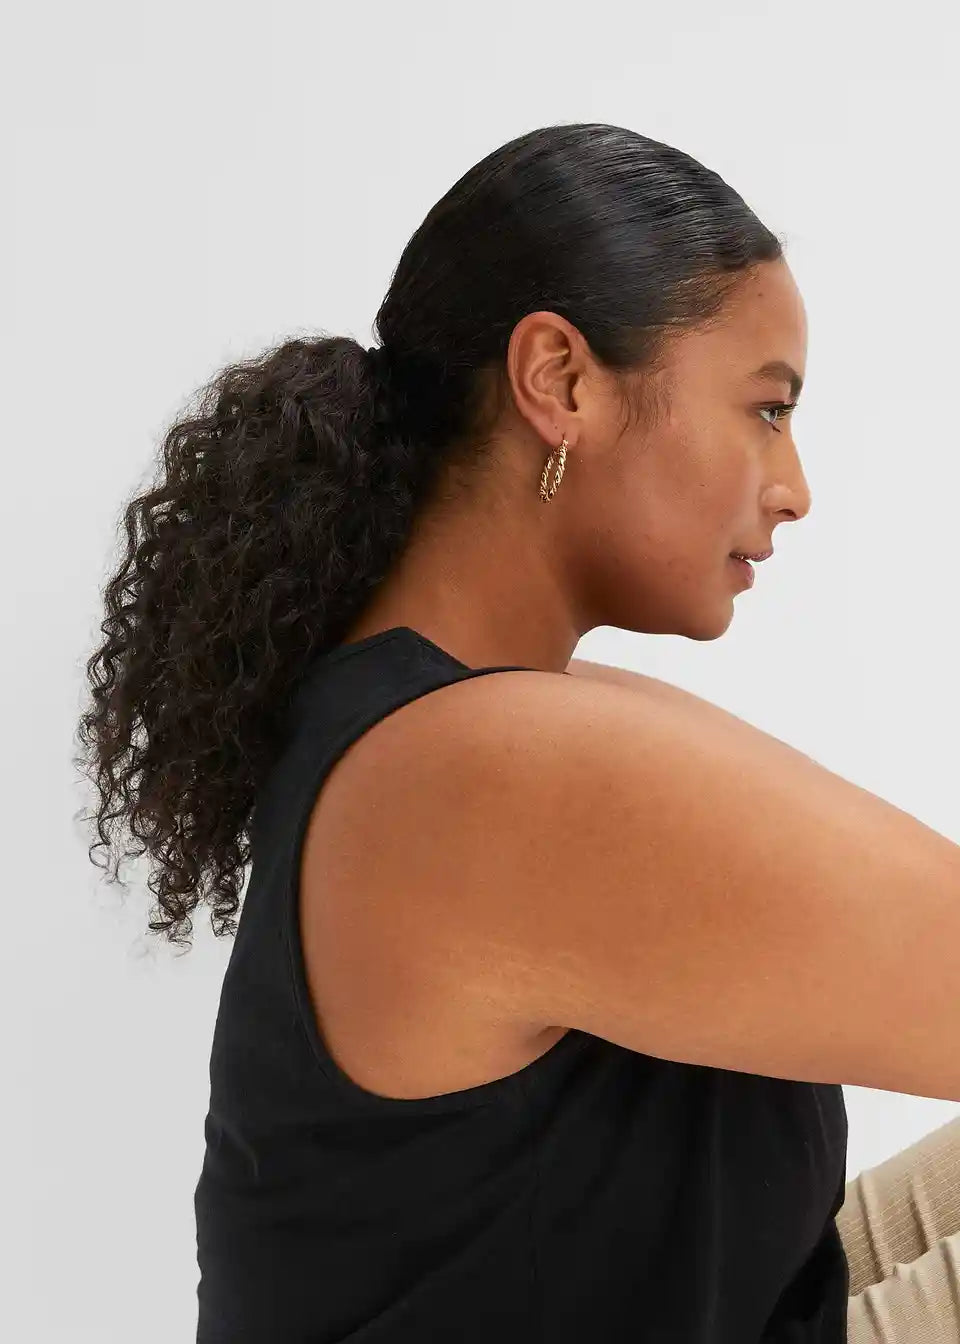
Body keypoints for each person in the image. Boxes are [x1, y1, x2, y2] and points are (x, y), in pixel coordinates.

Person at [74, 122, 960, 1342]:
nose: (795, 486)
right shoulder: (485, 772)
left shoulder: (450, 734)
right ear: (561, 379)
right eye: (766, 408)